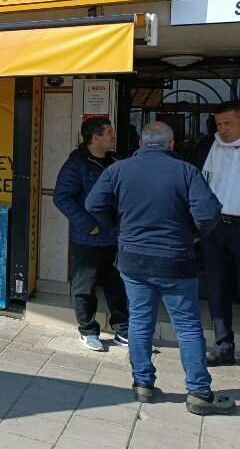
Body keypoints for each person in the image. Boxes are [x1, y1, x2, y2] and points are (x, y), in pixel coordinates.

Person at [86, 121, 234, 415]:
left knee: (140, 320)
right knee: (188, 326)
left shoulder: (117, 170)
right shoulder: (185, 171)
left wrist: (120, 226)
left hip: (133, 259)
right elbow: (208, 212)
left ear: (140, 144)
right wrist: (192, 234)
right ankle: (199, 393)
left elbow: (94, 204)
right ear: (171, 144)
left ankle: (143, 384)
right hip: (175, 260)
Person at [53, 117, 129, 351]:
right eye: (109, 132)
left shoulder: (115, 161)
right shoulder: (76, 164)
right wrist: (88, 225)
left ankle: (123, 330)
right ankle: (88, 330)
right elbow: (61, 197)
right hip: (90, 238)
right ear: (95, 138)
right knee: (84, 287)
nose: (113, 135)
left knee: (117, 286)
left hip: (115, 237)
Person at [197, 100, 240, 366]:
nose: (222, 130)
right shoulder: (207, 148)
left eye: (228, 124)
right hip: (214, 228)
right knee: (217, 287)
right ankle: (224, 346)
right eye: (219, 124)